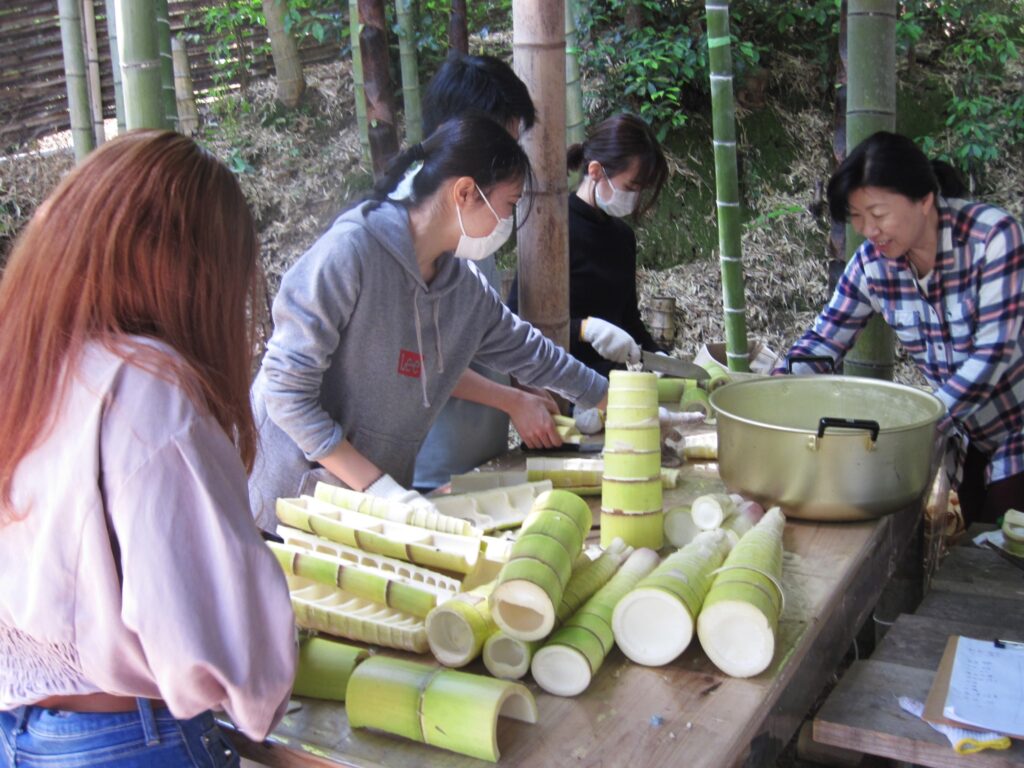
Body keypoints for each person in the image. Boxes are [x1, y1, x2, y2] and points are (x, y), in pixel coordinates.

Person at [0, 132, 296, 767]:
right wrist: (266, 681)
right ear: (196, 274)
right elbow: (219, 640)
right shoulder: (148, 389)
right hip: (127, 740)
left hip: (24, 730)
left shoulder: (29, 359)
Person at [249, 114, 609, 530]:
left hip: (368, 511)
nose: (505, 226)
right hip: (287, 507)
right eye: (508, 206)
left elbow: (533, 354)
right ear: (465, 192)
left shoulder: (462, 287)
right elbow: (284, 393)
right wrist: (379, 489)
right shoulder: (350, 252)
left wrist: (614, 402)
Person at [781, 130, 1024, 521]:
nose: (868, 230)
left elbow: (993, 355)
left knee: (1006, 561)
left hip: (1017, 430)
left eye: (878, 214)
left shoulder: (993, 238)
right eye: (857, 217)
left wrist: (910, 426)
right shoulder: (871, 264)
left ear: (924, 200)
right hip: (966, 439)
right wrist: (777, 389)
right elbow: (823, 341)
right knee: (969, 555)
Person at [413, 53, 563, 491]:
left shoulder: (476, 222)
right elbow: (420, 362)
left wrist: (521, 382)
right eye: (502, 143)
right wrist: (511, 398)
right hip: (429, 471)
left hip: (481, 462)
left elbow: (484, 337)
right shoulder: (412, 233)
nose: (508, 160)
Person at [509, 113, 670, 380]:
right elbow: (517, 322)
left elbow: (628, 318)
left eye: (642, 190)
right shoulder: (552, 230)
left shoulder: (622, 237)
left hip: (614, 386)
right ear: (595, 171)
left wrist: (658, 356)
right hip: (558, 387)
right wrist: (583, 330)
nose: (635, 198)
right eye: (631, 187)